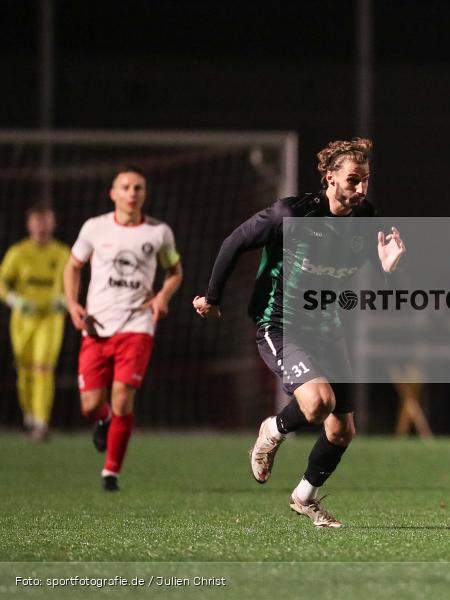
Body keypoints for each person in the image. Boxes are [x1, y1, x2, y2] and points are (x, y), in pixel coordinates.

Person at [193, 138, 405, 528]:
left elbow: (374, 277)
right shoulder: (290, 213)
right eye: (353, 181)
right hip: (281, 325)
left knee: (342, 430)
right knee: (317, 403)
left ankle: (304, 497)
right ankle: (271, 430)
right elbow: (234, 242)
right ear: (329, 178)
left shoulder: (366, 218)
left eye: (366, 181)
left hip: (327, 329)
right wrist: (212, 297)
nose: (360, 189)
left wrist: (389, 268)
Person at [63, 167, 183, 492]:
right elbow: (73, 266)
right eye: (126, 187)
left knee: (122, 399)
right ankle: (102, 420)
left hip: (137, 325)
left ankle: (111, 472)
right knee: (90, 404)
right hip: (97, 326)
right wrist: (72, 304)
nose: (132, 193)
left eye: (138, 188)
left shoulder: (158, 233)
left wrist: (161, 297)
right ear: (113, 193)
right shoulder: (94, 228)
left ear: (144, 194)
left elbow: (174, 271)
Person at [0, 204, 70, 441]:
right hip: (23, 320)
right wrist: (14, 299)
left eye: (45, 222)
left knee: (43, 368)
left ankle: (41, 421)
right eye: (37, 222)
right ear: (29, 225)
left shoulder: (62, 254)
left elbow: (74, 282)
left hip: (50, 319)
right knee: (24, 369)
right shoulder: (18, 253)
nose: (41, 227)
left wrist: (66, 299)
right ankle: (29, 414)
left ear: (53, 224)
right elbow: (2, 283)